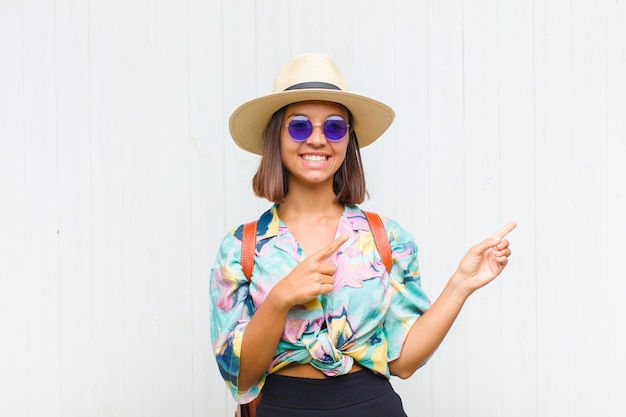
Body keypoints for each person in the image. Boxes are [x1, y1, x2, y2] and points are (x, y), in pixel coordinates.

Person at [210, 53, 515, 417]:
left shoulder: (386, 238)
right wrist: (280, 298)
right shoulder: (241, 247)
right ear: (277, 135)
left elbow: (403, 362)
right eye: (300, 127)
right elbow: (241, 378)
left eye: (335, 127)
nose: (318, 140)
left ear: (348, 141)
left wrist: (460, 285)